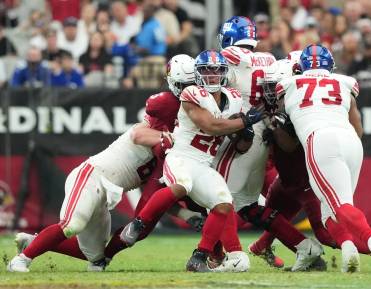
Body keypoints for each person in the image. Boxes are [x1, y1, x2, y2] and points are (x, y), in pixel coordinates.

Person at [6, 55, 200, 273]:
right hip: (92, 176)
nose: (191, 91)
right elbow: (138, 134)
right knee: (72, 225)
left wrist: (187, 215)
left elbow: (155, 197)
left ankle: (33, 243)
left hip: (107, 193)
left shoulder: (178, 139)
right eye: (186, 85)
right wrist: (166, 138)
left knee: (95, 257)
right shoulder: (163, 113)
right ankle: (21, 260)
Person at [116, 50, 265, 273]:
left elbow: (241, 148)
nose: (213, 76)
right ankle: (138, 223)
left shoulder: (233, 98)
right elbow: (210, 126)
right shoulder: (192, 93)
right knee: (181, 185)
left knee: (223, 204)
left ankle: (199, 257)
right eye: (207, 70)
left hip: (205, 163)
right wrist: (244, 121)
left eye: (217, 71)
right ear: (198, 74)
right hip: (182, 156)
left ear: (225, 74)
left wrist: (246, 133)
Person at [276, 44, 371, 273]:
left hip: (321, 139)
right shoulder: (345, 82)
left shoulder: (287, 85)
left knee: (339, 206)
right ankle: (348, 250)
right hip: (351, 141)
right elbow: (359, 129)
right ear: (330, 66)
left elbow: (286, 142)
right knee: (332, 211)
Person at [215, 16, 324, 271]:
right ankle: (303, 246)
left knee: (219, 197)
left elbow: (224, 61)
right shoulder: (270, 59)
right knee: (248, 206)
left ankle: (229, 256)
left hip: (243, 133)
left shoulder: (233, 56)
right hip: (264, 135)